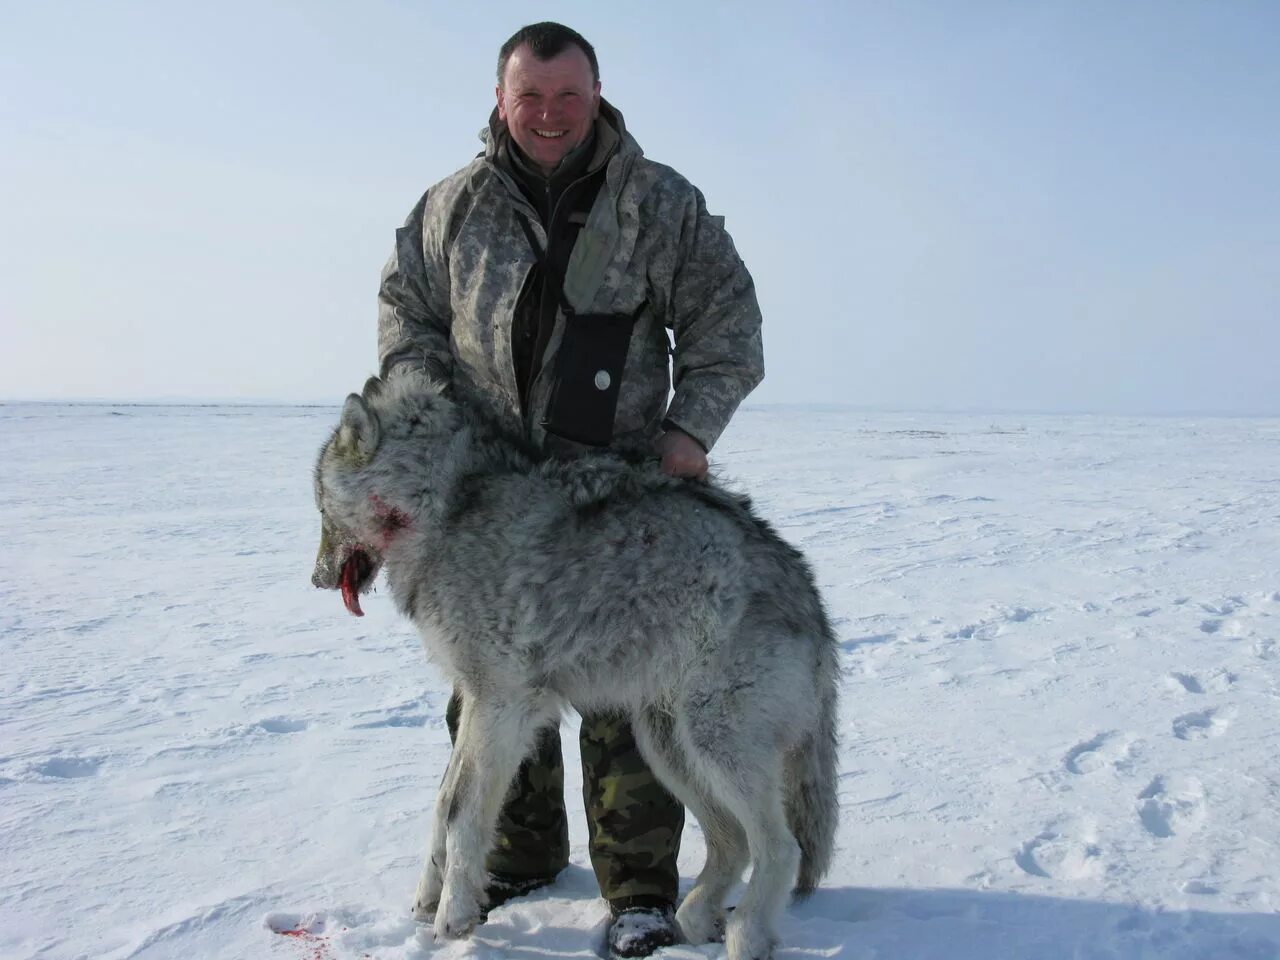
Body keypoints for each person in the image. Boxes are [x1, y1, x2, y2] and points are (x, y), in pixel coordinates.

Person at [376, 21, 764, 958]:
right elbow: (407, 321)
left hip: (616, 499)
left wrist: (687, 432)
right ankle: (515, 857)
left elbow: (727, 324)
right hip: (488, 501)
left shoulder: (659, 203)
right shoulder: (449, 209)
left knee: (634, 690)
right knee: (491, 684)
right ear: (502, 102)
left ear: (596, 96)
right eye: (531, 97)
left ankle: (638, 888)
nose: (549, 115)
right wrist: (428, 433)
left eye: (568, 96)